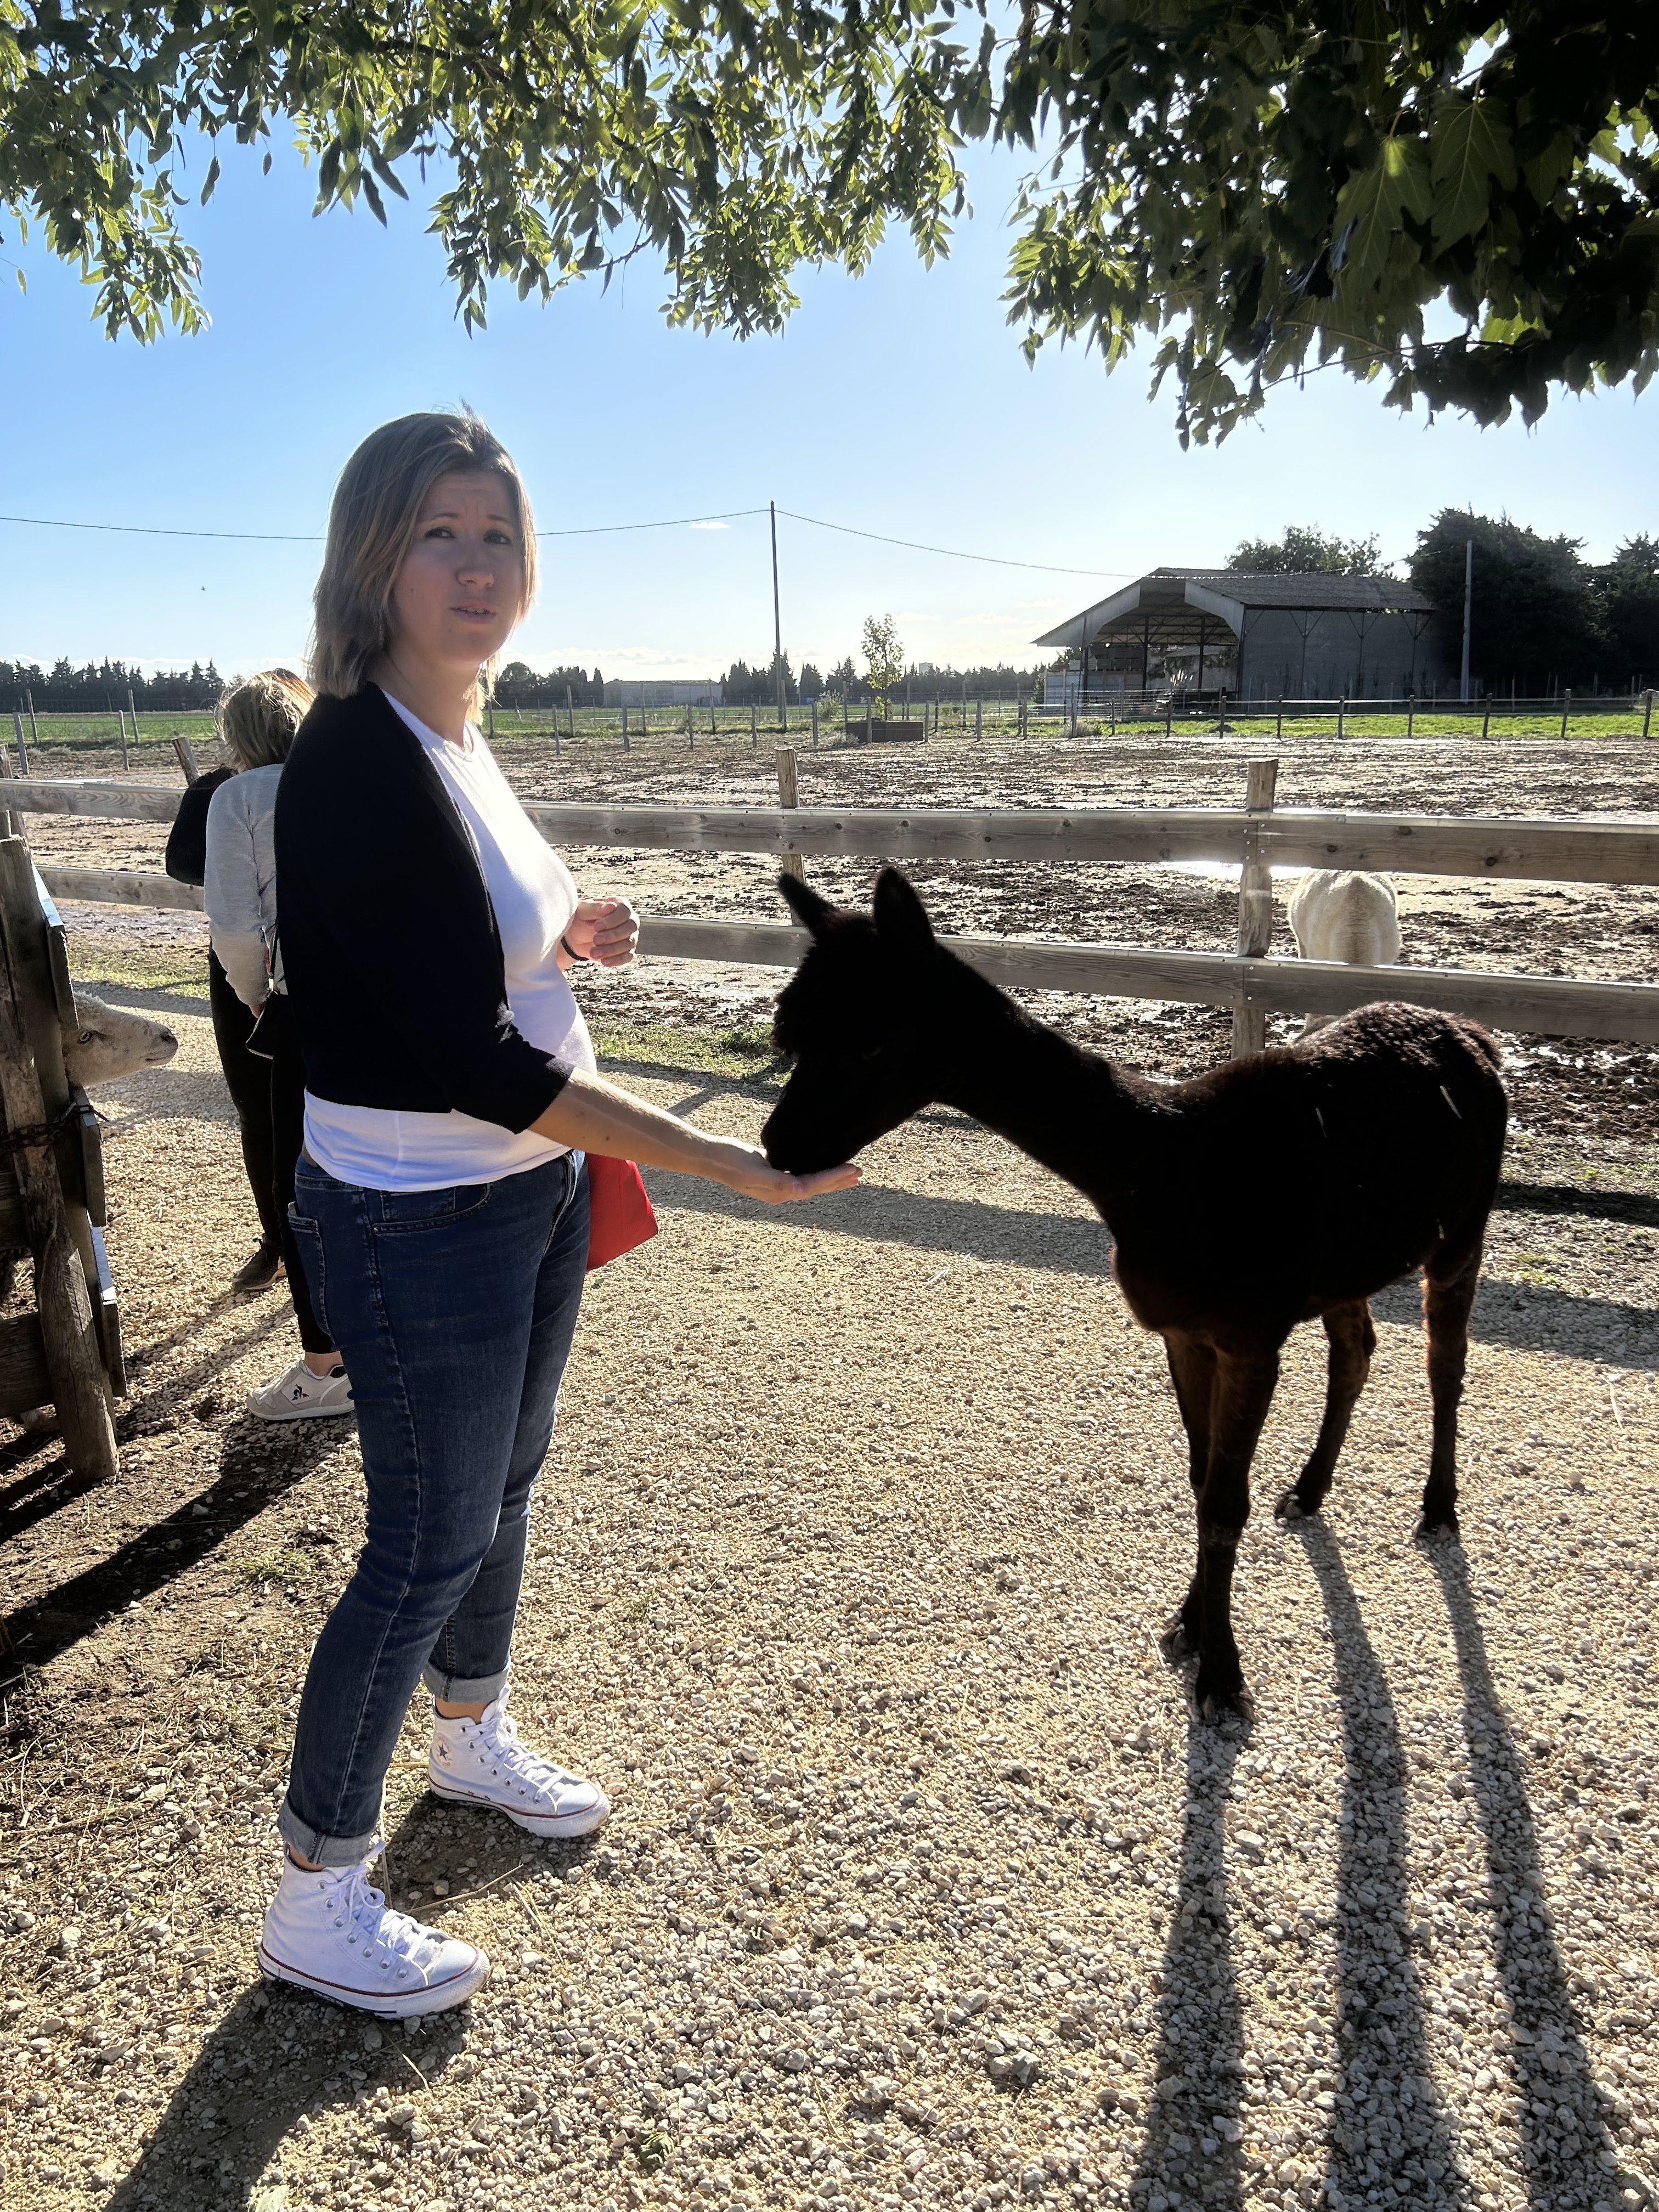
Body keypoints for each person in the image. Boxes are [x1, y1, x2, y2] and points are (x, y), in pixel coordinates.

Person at [258, 411, 857, 2018]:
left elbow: (458, 950)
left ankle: (471, 1741)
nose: (477, 567)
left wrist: (564, 933)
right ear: (372, 558)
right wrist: (724, 1158)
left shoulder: (455, 727)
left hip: (521, 1193)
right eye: (438, 533)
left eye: (500, 537)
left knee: (503, 1490)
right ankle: (318, 1892)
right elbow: (471, 1060)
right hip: (419, 1210)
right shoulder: (354, 756)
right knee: (424, 1540)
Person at [203, 672, 353, 1421]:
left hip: (308, 1003)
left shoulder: (239, 798)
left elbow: (235, 927)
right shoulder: (352, 779)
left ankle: (328, 1363)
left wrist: (256, 994)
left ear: (240, 737)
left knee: (302, 1180)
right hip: (389, 1001)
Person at [165, 729, 281, 1289]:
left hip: (288, 961)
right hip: (248, 958)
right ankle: (277, 1240)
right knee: (256, 1107)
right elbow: (182, 861)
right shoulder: (216, 790)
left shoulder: (327, 779)